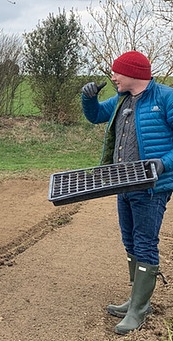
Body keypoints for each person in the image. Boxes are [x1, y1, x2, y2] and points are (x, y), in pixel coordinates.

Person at [81, 50, 173, 335]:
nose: (112, 77)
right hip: (122, 184)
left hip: (151, 187)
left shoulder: (165, 98)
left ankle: (139, 310)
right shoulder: (121, 100)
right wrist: (88, 98)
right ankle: (134, 300)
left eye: (116, 72)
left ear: (133, 73)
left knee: (145, 242)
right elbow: (96, 115)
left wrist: (163, 163)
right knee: (130, 240)